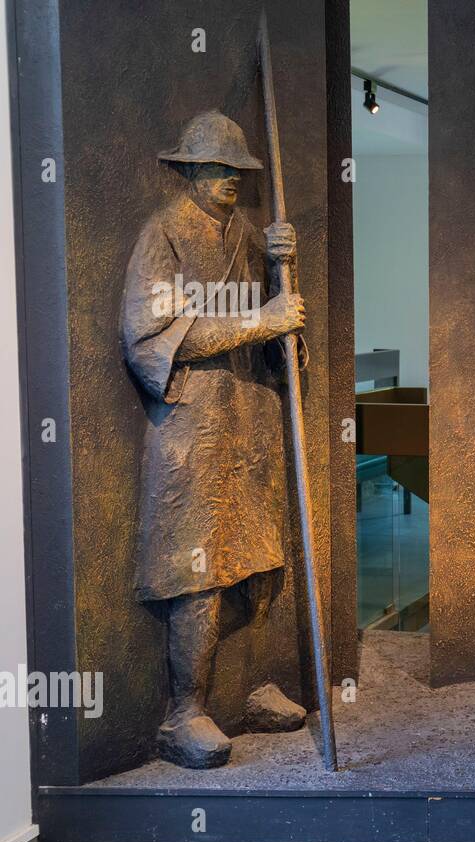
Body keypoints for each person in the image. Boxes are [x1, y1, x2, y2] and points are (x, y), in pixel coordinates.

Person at [121, 110, 307, 767]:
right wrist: (260, 320)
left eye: (235, 170)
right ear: (191, 171)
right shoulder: (163, 233)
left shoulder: (251, 237)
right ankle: (185, 712)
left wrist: (284, 281)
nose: (227, 179)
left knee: (254, 563)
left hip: (247, 419)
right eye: (215, 169)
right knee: (199, 569)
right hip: (194, 424)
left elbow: (279, 341)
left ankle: (242, 689)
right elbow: (157, 341)